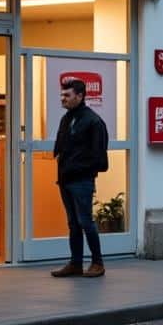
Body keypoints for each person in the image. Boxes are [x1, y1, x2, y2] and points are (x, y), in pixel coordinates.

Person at [51, 79, 109, 278]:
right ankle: (75, 263)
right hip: (66, 179)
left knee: (85, 222)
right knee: (73, 223)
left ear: (80, 96)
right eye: (62, 95)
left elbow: (99, 157)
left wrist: (80, 169)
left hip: (82, 181)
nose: (63, 99)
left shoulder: (93, 121)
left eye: (67, 95)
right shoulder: (67, 118)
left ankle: (97, 262)